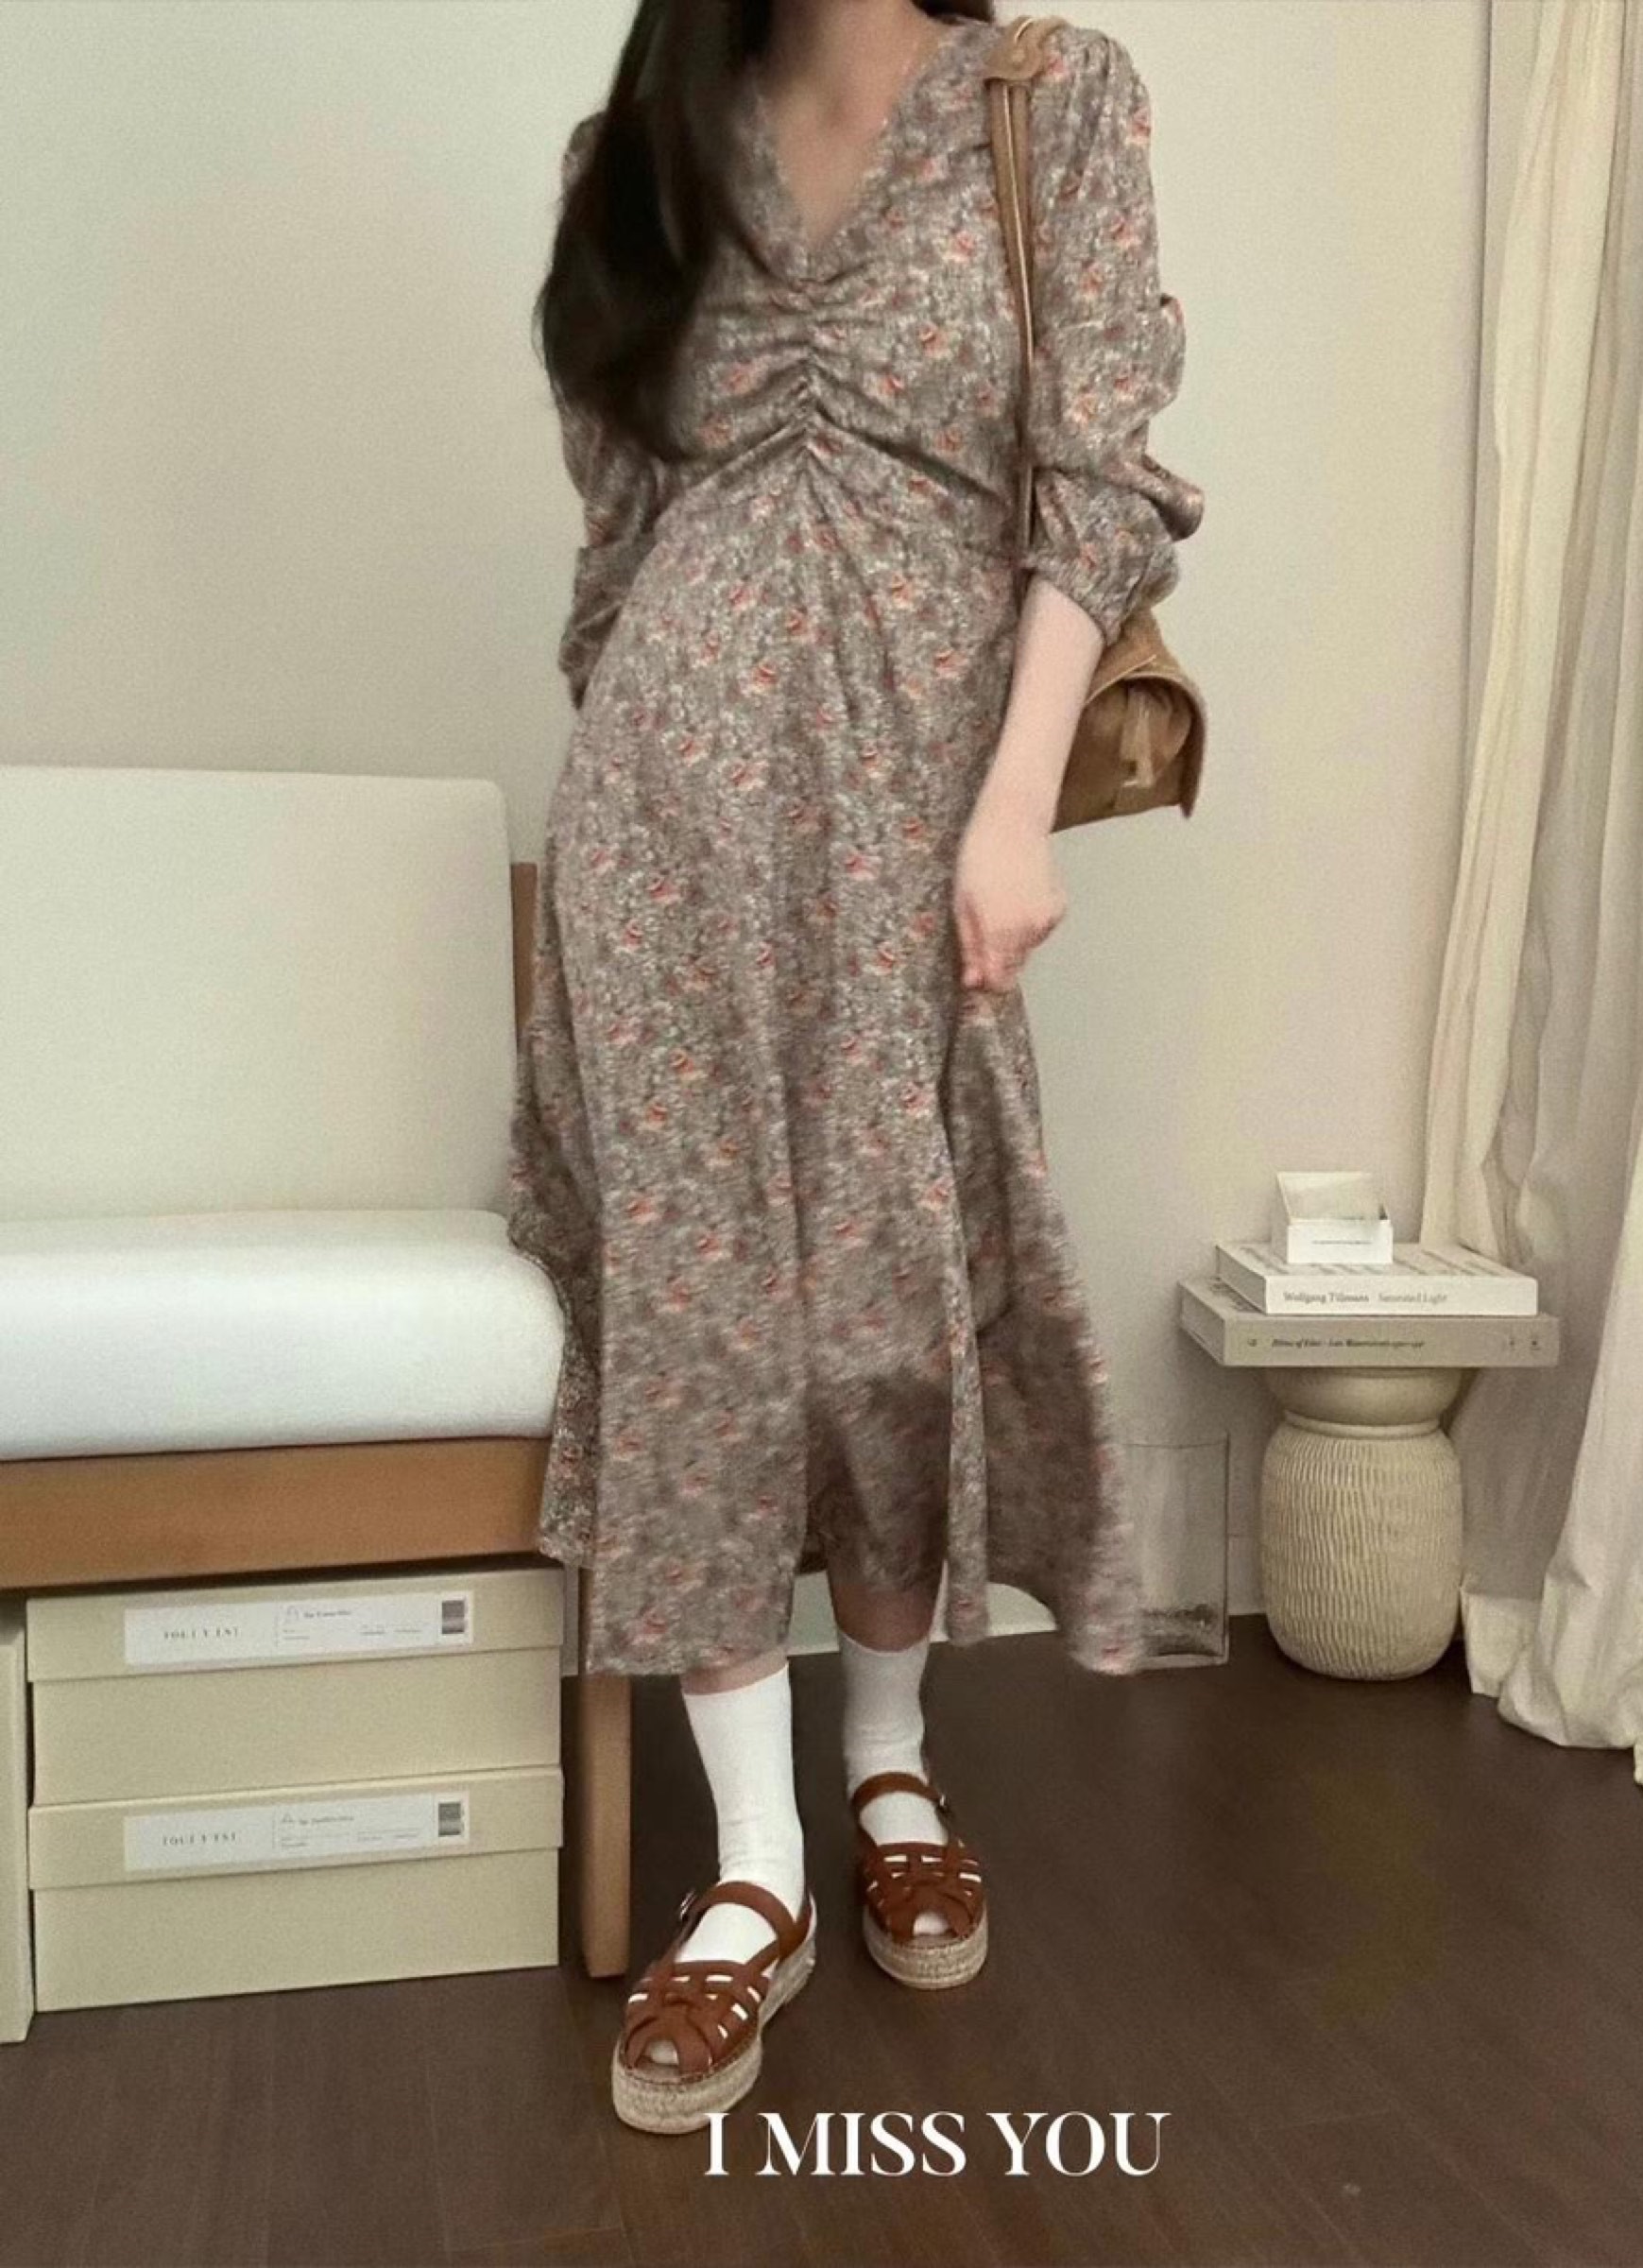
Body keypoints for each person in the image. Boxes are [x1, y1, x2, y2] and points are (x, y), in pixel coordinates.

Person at [505, 0, 1204, 2134]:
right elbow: (619, 551)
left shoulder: (1046, 101)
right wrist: (646, 791)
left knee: (894, 1316)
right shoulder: (643, 148)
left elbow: (1096, 487)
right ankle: (759, 1862)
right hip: (665, 844)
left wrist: (1009, 811)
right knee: (711, 1321)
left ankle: (888, 1760)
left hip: (922, 810)